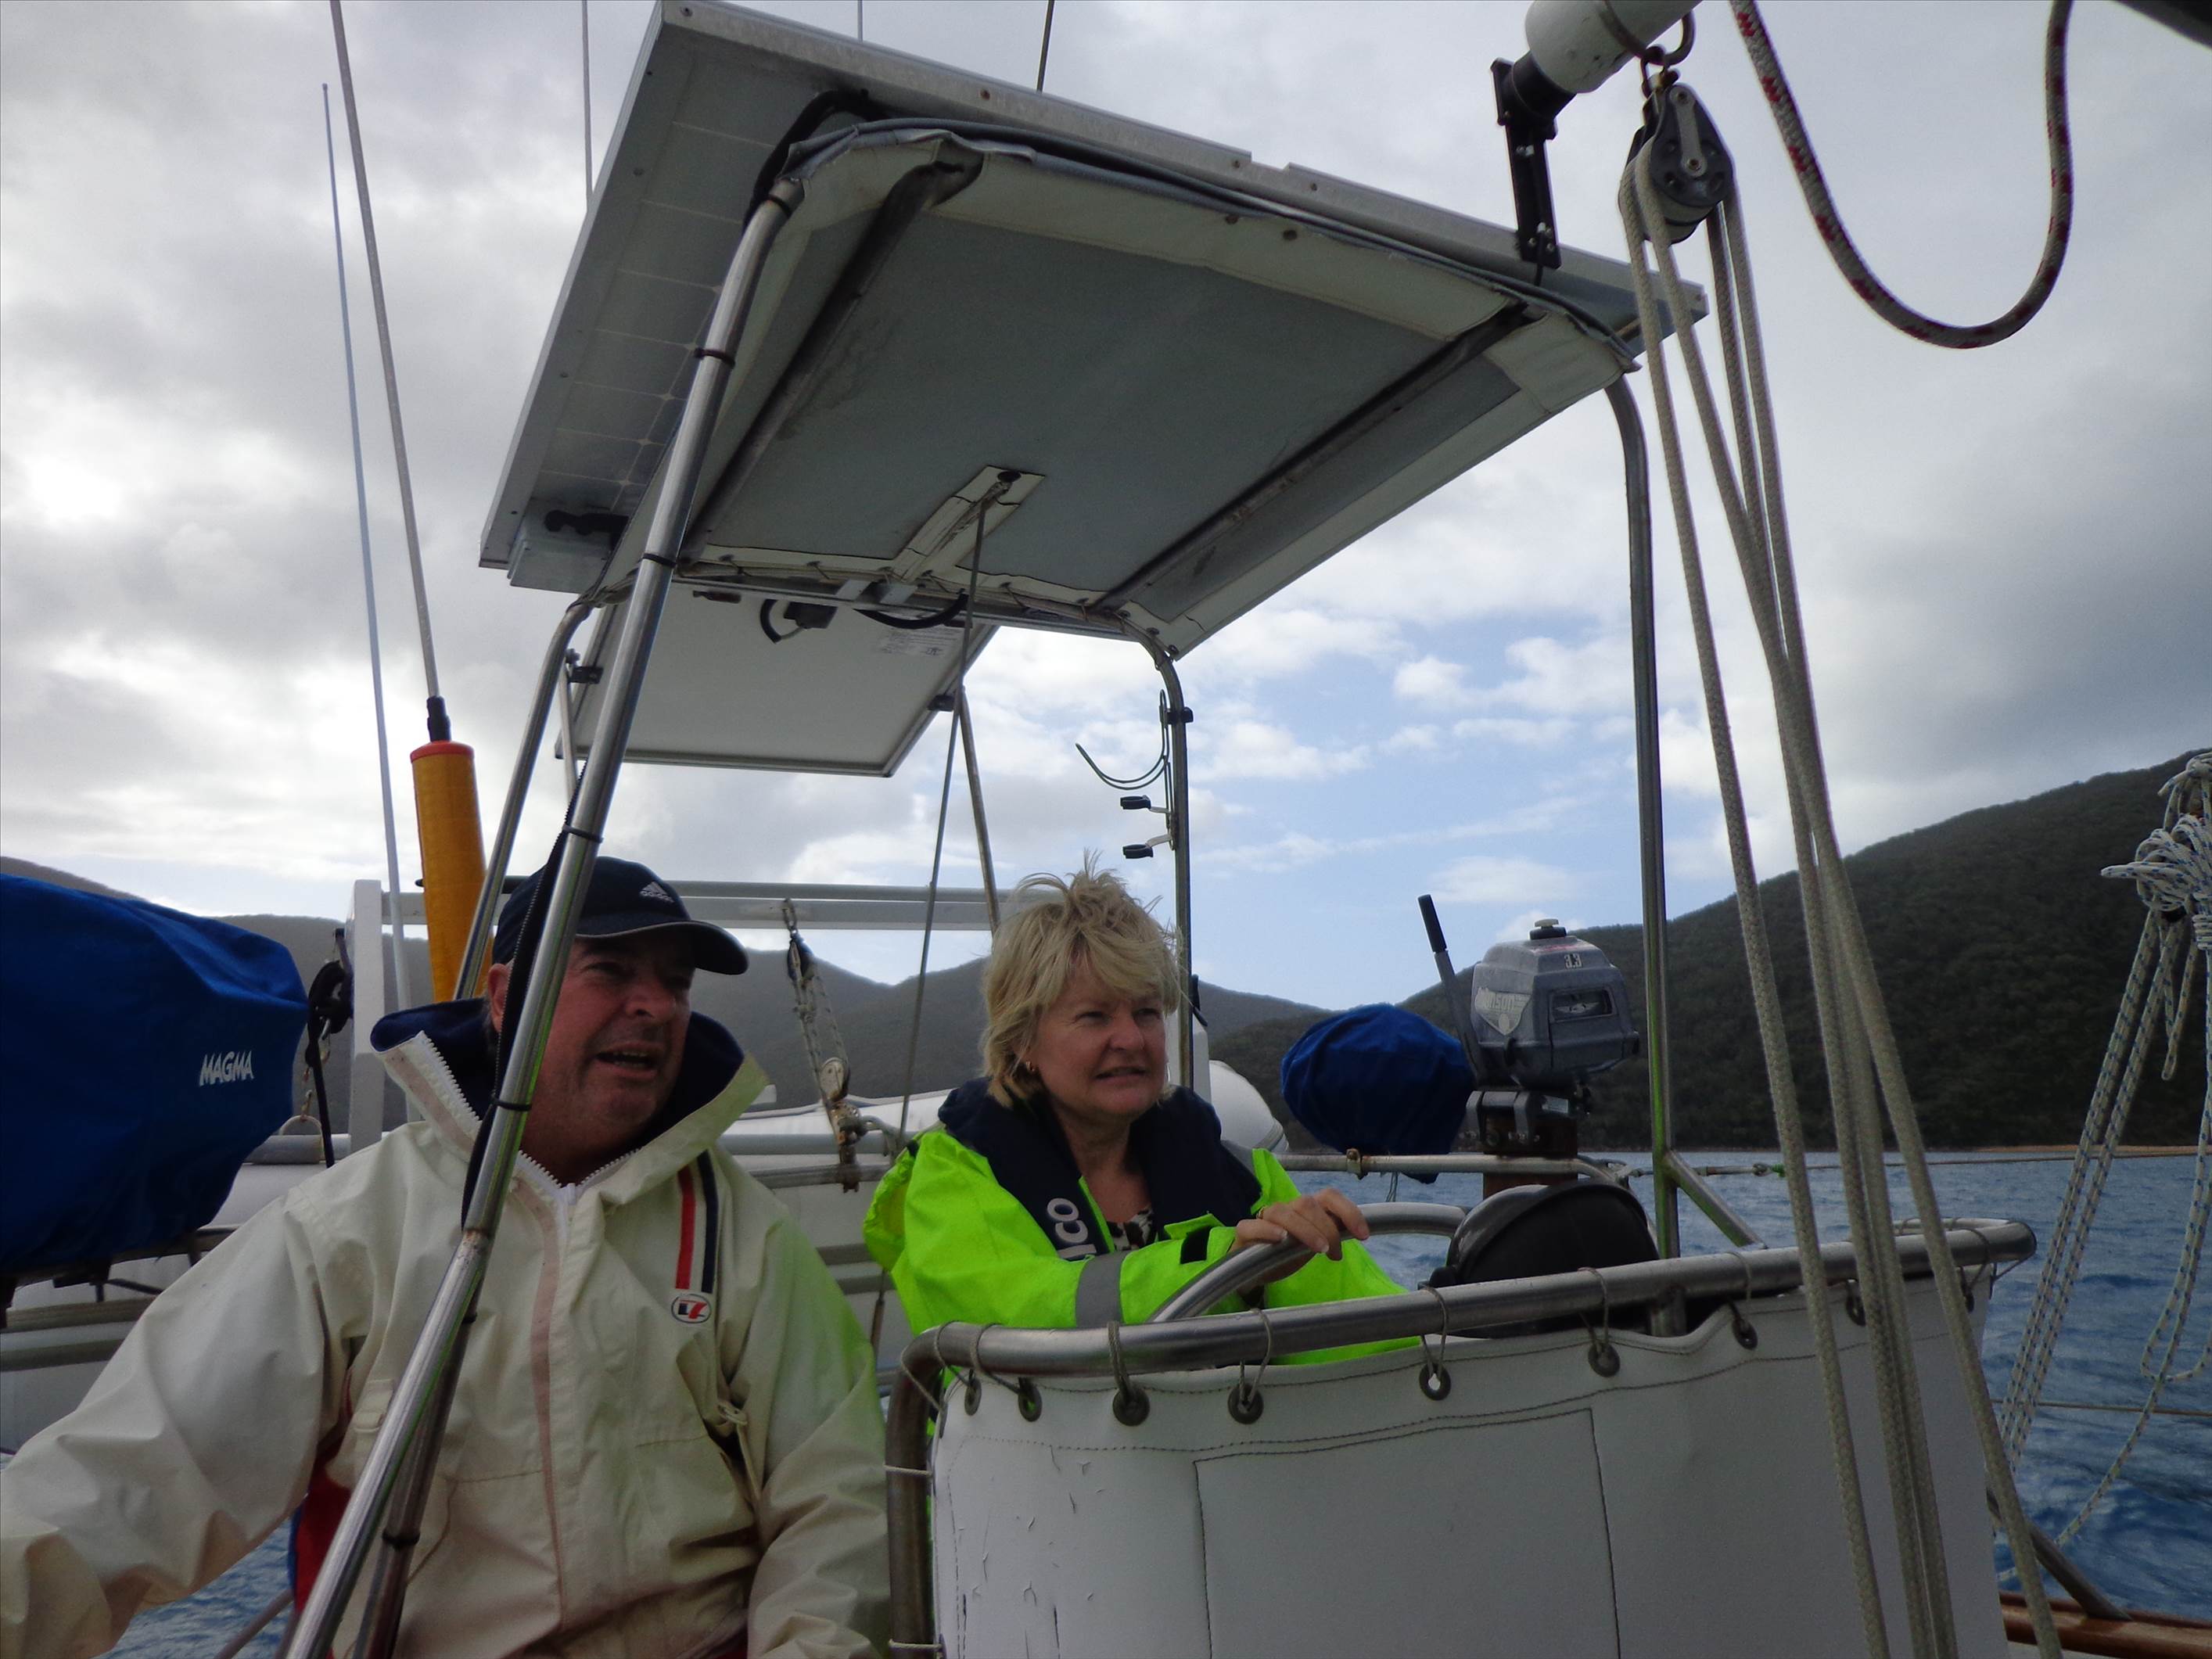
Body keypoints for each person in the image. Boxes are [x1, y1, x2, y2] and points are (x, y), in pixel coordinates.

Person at [2, 856, 889, 1659]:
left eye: (675, 983)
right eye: (612, 972)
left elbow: (836, 1501)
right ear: (504, 996)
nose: (655, 1006)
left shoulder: (745, 1233)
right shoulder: (352, 1228)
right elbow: (137, 1479)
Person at [864, 863, 1403, 1343]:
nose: (1130, 1038)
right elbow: (1021, 1315)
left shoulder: (1244, 1179)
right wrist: (1223, 1269)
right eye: (1094, 1016)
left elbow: (1365, 1327)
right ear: (1022, 1040)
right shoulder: (957, 1176)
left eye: (1146, 1012)